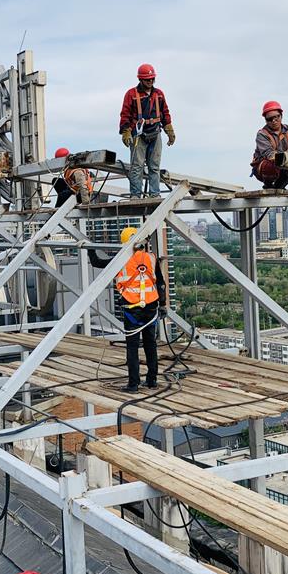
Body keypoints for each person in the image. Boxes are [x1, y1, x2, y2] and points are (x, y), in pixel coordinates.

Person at [115, 227, 167, 391]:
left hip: (133, 308)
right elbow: (161, 283)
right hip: (151, 307)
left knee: (132, 346)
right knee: (150, 344)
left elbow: (97, 263)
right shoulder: (151, 258)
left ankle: (133, 384)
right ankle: (151, 380)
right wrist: (163, 304)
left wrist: (88, 248)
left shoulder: (122, 260)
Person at [119, 64, 175, 199]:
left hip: (155, 133)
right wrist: (126, 132)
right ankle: (135, 195)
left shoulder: (159, 94)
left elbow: (165, 112)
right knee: (137, 167)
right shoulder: (131, 94)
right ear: (140, 80)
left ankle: (155, 194)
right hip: (138, 135)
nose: (150, 82)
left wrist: (169, 129)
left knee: (154, 167)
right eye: (147, 80)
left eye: (152, 79)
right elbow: (125, 114)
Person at [250, 100, 288, 190]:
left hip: (284, 165)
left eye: (276, 117)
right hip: (265, 169)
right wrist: (287, 160)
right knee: (271, 164)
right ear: (265, 120)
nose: (274, 121)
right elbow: (269, 154)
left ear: (281, 115)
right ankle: (268, 185)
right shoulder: (262, 134)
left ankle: (280, 185)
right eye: (270, 119)